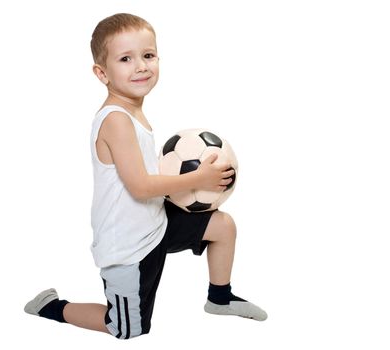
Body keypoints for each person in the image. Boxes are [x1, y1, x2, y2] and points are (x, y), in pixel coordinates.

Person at [24, 13, 267, 339]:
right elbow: (139, 187)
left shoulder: (133, 109)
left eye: (148, 55)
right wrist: (199, 179)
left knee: (222, 226)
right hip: (128, 245)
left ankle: (219, 297)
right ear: (102, 73)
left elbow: (142, 174)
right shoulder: (116, 120)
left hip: (155, 223)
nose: (140, 66)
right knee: (125, 329)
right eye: (125, 59)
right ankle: (52, 306)